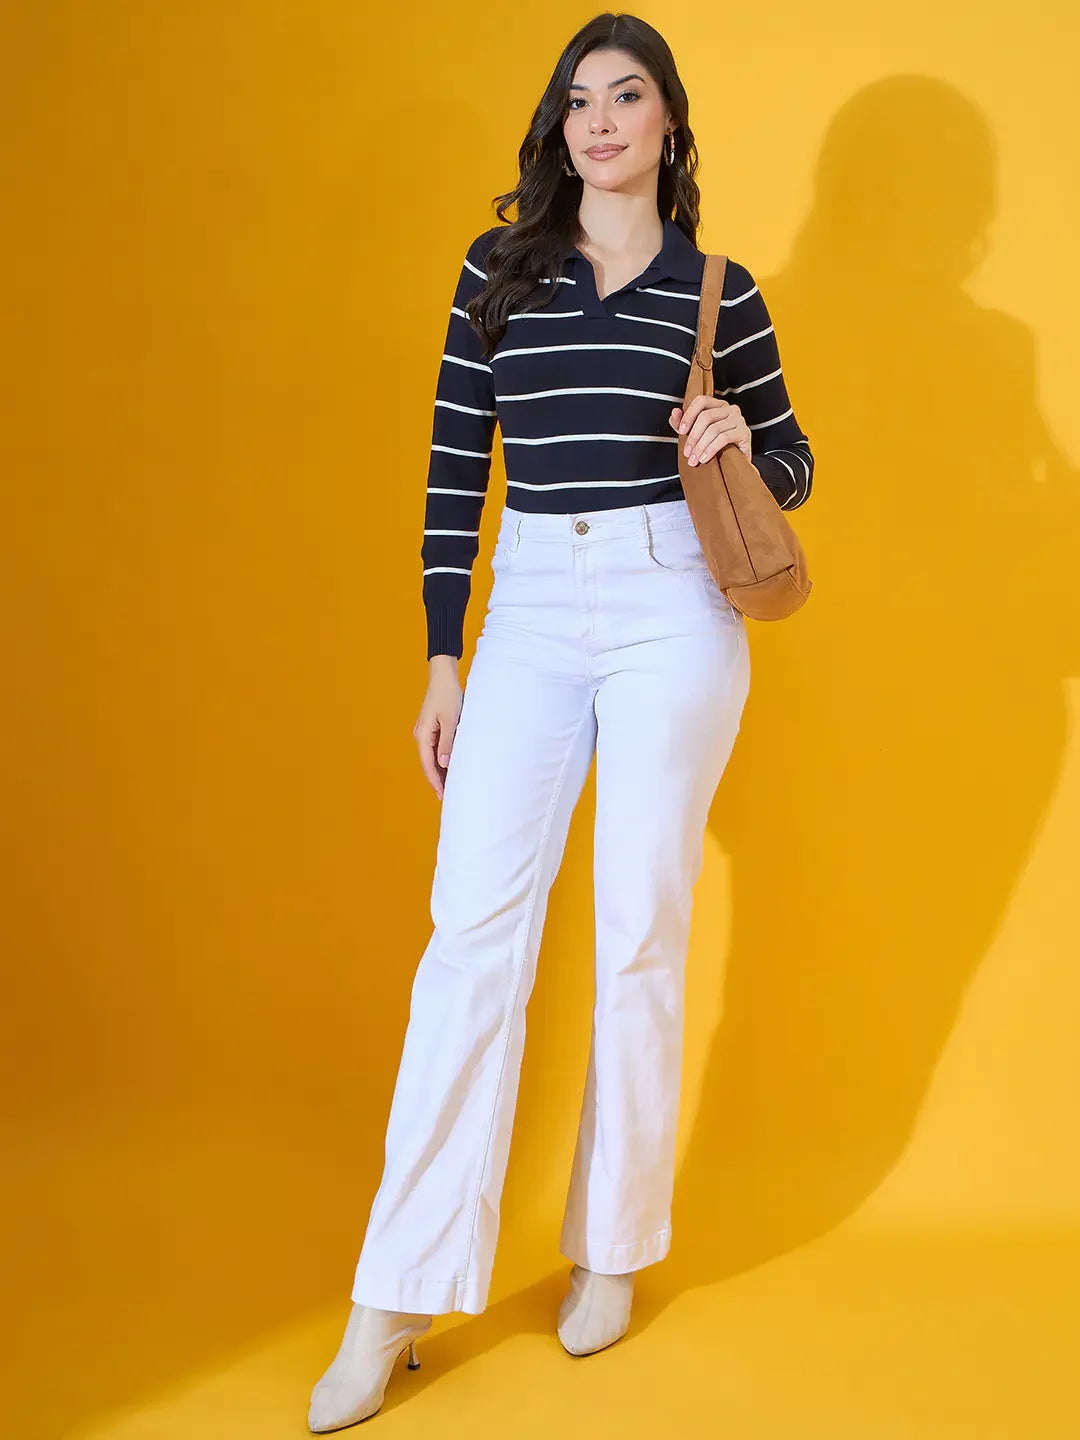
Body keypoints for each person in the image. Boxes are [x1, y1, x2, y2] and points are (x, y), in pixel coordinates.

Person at [308, 11, 813, 1431]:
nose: (599, 121)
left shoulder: (723, 287)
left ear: (668, 124)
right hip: (528, 600)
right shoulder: (499, 272)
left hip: (675, 604)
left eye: (627, 96)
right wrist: (440, 657)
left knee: (639, 926)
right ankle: (392, 1295)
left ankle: (611, 1249)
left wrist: (737, 442)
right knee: (473, 933)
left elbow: (793, 451)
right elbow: (452, 468)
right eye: (578, 100)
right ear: (560, 126)